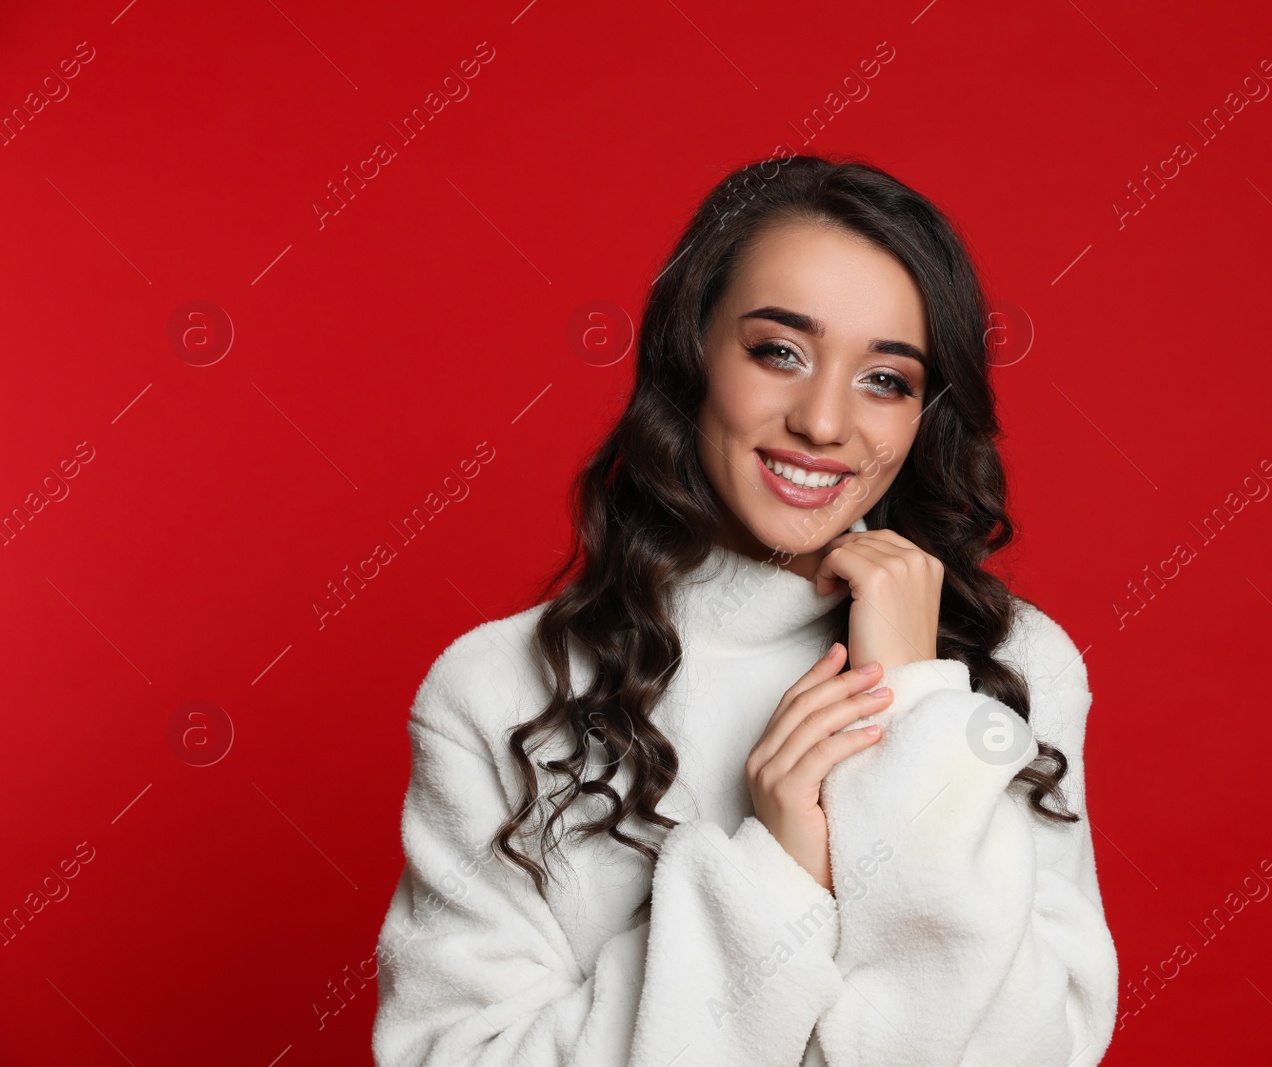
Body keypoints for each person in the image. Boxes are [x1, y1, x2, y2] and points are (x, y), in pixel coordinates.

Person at [371, 153, 1119, 1066]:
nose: (822, 421)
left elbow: (1040, 1051)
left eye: (886, 378)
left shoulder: (1018, 664)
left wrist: (918, 704)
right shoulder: (497, 691)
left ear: (925, 415)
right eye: (779, 352)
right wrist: (772, 874)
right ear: (691, 356)